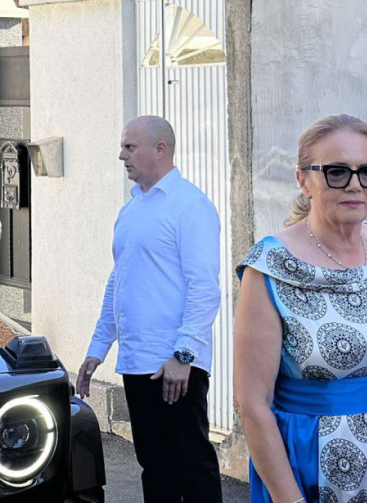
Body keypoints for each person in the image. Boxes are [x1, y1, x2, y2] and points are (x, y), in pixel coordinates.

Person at [234, 114, 367, 503]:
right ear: (303, 180)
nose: (355, 184)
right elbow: (252, 405)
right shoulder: (271, 267)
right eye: (337, 172)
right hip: (309, 474)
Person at [76, 115, 223, 502]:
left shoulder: (190, 205)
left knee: (192, 466)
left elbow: (205, 289)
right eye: (122, 147)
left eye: (129, 147)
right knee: (155, 467)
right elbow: (119, 282)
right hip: (137, 361)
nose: (121, 156)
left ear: (161, 149)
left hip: (175, 365)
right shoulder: (131, 210)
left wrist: (183, 355)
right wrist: (98, 347)